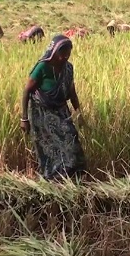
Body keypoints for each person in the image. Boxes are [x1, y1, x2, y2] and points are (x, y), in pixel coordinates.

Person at [20, 35, 86, 181]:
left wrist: (79, 114)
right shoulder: (42, 67)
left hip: (61, 111)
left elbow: (72, 93)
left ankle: (72, 178)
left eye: (68, 54)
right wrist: (24, 118)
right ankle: (54, 178)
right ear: (53, 52)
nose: (64, 57)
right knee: (50, 147)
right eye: (62, 54)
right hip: (42, 114)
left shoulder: (68, 68)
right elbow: (26, 91)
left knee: (71, 138)